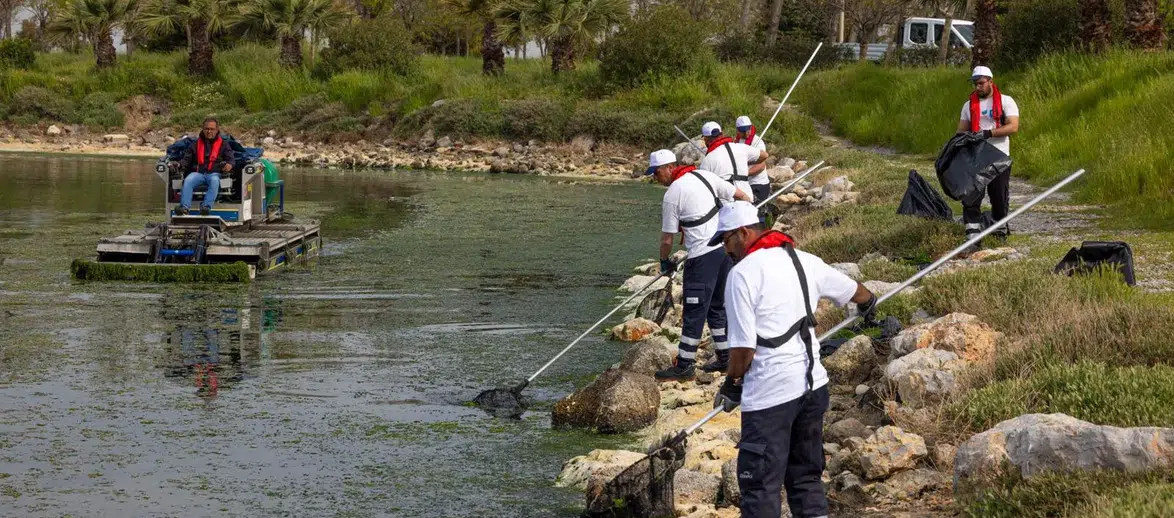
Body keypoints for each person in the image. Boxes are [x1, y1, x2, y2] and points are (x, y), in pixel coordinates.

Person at [707, 201, 877, 518]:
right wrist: (869, 306)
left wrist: (732, 385)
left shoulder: (741, 274)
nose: (725, 250)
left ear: (743, 233)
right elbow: (859, 292)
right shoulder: (803, 259)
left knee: (759, 488)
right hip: (813, 390)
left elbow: (743, 349)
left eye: (726, 241)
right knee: (805, 479)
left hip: (770, 397)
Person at [646, 149, 752, 381]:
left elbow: (667, 238)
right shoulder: (706, 176)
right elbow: (743, 197)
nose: (655, 177)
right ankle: (725, 358)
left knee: (694, 312)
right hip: (725, 253)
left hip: (702, 258)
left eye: (656, 172)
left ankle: (684, 365)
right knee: (717, 307)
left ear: (669, 167)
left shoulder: (673, 194)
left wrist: (665, 262)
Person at [957, 66, 1019, 245]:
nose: (978, 87)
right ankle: (972, 233)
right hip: (976, 156)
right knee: (972, 194)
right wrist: (966, 138)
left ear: (991, 81)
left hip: (999, 155)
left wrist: (988, 133)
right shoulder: (968, 105)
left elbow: (1013, 126)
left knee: (998, 194)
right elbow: (961, 129)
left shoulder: (1006, 101)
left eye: (981, 83)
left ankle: (999, 230)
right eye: (976, 84)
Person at [173, 118, 235, 216]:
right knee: (188, 179)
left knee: (214, 180)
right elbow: (186, 160)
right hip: (199, 174)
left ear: (217, 130)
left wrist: (229, 165)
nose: (209, 131)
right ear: (203, 129)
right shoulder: (195, 144)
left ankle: (206, 207)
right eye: (206, 129)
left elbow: (231, 159)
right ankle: (184, 208)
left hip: (215, 174)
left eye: (211, 129)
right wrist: (179, 164)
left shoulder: (224, 144)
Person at [699, 121, 767, 199]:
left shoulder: (707, 160)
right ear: (722, 134)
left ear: (706, 139)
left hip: (727, 202)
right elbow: (764, 155)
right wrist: (744, 164)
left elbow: (705, 187)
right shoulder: (740, 147)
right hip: (747, 196)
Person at [735, 116, 771, 204]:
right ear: (738, 130)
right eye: (743, 131)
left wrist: (744, 174)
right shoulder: (737, 142)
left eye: (748, 129)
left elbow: (761, 166)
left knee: (759, 212)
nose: (747, 132)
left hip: (759, 184)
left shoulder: (758, 142)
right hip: (745, 184)